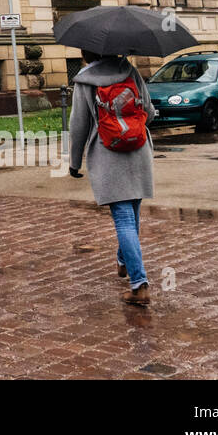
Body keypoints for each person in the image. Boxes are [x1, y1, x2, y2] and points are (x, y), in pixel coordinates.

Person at [68, 49, 155, 306]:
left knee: (125, 219)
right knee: (132, 214)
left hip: (109, 155)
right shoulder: (130, 70)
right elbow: (148, 110)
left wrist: (74, 162)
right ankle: (123, 260)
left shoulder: (85, 81)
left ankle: (139, 285)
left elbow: (79, 125)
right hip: (138, 150)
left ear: (86, 52)